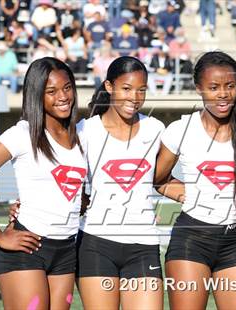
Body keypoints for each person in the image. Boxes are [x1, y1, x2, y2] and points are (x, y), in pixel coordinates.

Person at [154, 51, 236, 310]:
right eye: (214, 87)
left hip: (234, 239)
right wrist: (189, 194)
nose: (223, 94)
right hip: (191, 240)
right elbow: (158, 180)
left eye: (230, 86)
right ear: (199, 88)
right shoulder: (180, 129)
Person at [0, 57, 87, 309]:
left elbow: (75, 191)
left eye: (67, 88)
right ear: (37, 94)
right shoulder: (22, 134)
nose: (63, 96)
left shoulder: (82, 135)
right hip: (26, 251)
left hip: (66, 250)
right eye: (51, 91)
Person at [75, 56, 165, 309]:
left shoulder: (156, 129)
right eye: (126, 88)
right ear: (109, 86)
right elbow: (64, 177)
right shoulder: (85, 130)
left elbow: (162, 179)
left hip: (144, 243)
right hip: (96, 242)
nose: (134, 97)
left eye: (141, 90)